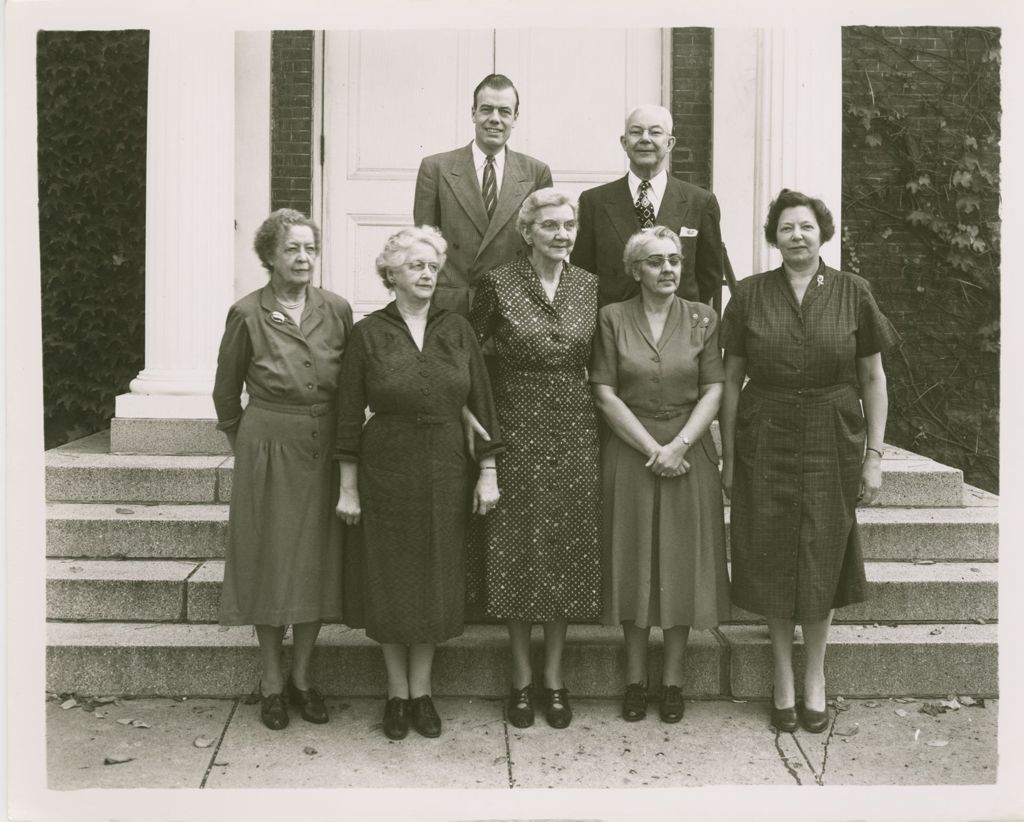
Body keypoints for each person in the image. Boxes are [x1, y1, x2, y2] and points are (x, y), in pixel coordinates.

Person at [719, 189, 899, 734]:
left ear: (823, 233)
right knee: (772, 550)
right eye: (786, 228)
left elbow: (872, 377)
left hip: (831, 431)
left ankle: (815, 677)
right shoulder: (748, 295)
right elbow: (729, 381)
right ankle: (781, 677)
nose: (796, 236)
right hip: (765, 432)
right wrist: (728, 456)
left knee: (822, 550)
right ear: (773, 237)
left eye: (806, 227)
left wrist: (874, 455)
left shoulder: (853, 292)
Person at [334, 226, 503, 741]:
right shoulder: (368, 333)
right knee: (388, 576)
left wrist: (488, 472)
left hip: (448, 464)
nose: (428, 275)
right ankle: (395, 693)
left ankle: (423, 692)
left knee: (435, 576)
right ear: (392, 275)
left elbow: (482, 402)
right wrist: (348, 486)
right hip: (386, 463)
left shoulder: (457, 329)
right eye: (416, 266)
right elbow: (346, 414)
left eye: (433, 267)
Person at [213, 209, 352, 731]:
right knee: (270, 561)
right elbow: (226, 395)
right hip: (268, 446)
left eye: (310, 249)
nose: (302, 258)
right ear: (269, 256)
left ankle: (303, 678)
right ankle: (271, 682)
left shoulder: (336, 309)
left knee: (314, 562)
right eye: (291, 249)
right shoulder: (247, 313)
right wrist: (249, 445)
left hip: (324, 447)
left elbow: (352, 381)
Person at [469, 188, 601, 730]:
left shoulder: (589, 286)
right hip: (516, 423)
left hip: (574, 425)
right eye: (550, 225)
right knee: (518, 549)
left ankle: (555, 678)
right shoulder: (496, 284)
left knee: (567, 550)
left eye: (568, 225)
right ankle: (520, 680)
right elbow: (473, 367)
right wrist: (487, 446)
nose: (562, 234)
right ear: (527, 232)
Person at [590, 227, 729, 724]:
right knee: (634, 561)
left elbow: (714, 388)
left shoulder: (703, 317)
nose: (667, 269)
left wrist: (680, 446)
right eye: (655, 261)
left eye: (674, 260)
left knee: (681, 564)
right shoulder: (611, 317)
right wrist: (653, 449)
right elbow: (605, 392)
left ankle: (672, 680)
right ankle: (633, 678)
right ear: (635, 270)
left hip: (689, 452)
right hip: (631, 453)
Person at [414, 74, 553, 316]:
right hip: (451, 306)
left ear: (515, 118)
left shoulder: (536, 173)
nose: (495, 119)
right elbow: (425, 245)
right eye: (486, 109)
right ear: (473, 113)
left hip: (514, 306)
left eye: (504, 112)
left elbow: (542, 248)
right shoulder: (436, 168)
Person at [572, 104, 724, 310]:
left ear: (670, 143)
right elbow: (582, 274)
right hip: (614, 329)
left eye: (655, 132)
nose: (645, 138)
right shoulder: (594, 202)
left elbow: (710, 277)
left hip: (679, 328)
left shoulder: (700, 202)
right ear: (624, 143)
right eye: (636, 132)